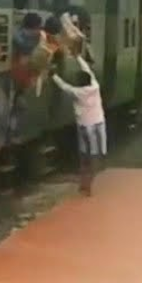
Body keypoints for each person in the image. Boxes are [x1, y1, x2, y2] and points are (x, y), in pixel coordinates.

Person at [51, 55, 106, 196]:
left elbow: (64, 86)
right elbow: (87, 70)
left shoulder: (77, 92)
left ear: (80, 83)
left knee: (84, 156)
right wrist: (78, 57)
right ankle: (89, 183)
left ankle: (84, 183)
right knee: (94, 155)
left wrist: (53, 75)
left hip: (84, 127)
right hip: (98, 125)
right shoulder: (95, 86)